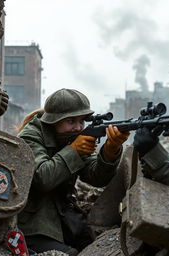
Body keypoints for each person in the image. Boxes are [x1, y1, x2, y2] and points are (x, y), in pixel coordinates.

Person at [16, 88, 130, 256]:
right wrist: (73, 151)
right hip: (33, 224)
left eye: (81, 121)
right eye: (71, 121)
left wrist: (110, 151)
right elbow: (42, 178)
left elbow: (96, 177)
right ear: (54, 121)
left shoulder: (71, 138)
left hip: (66, 217)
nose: (78, 128)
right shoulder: (30, 136)